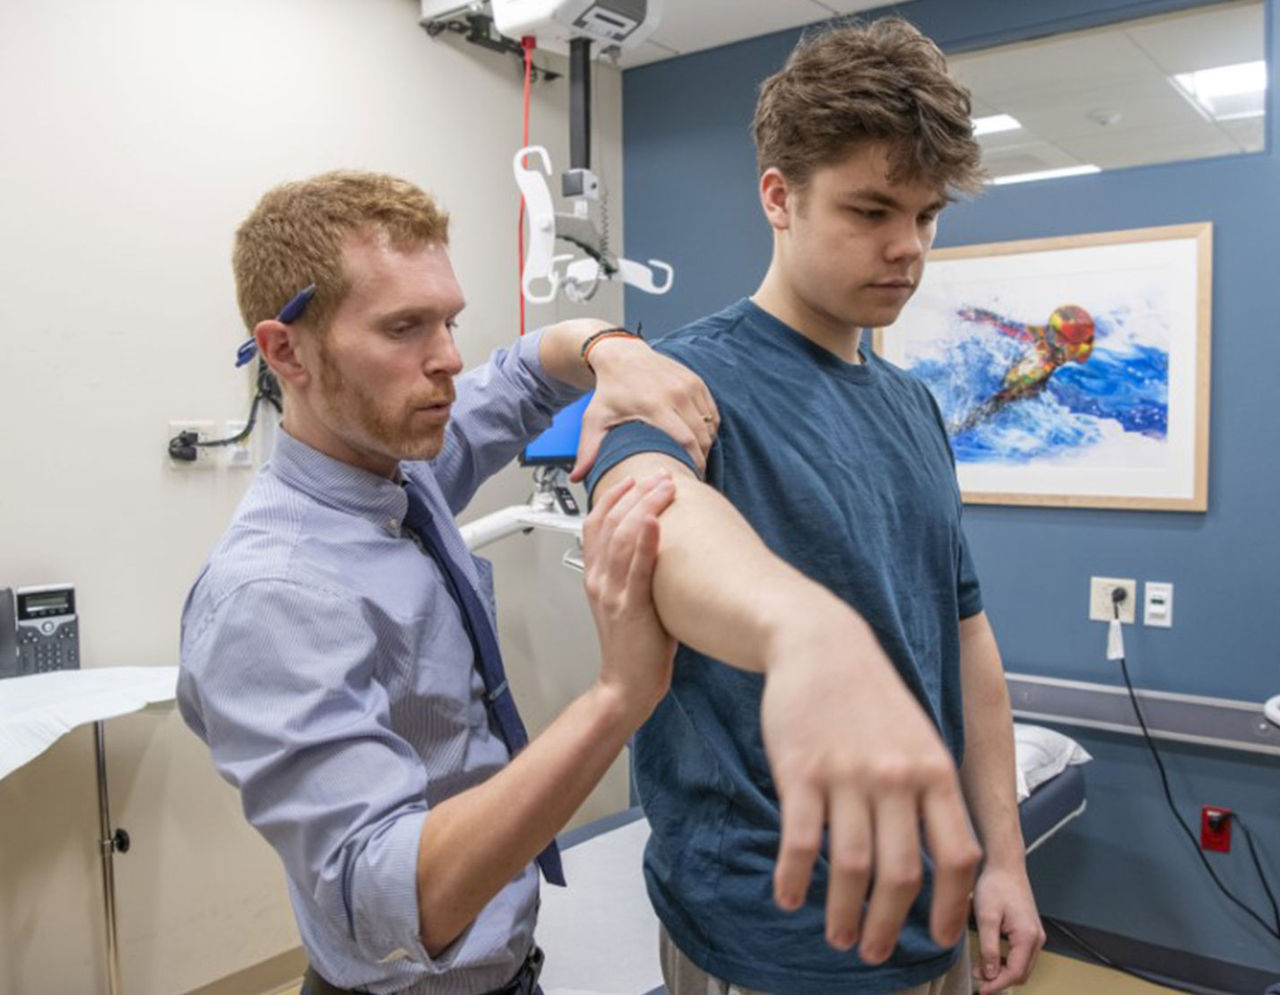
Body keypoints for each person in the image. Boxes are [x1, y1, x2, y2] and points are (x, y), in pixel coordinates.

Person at [585, 19, 1045, 995]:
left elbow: (965, 643)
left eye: (925, 216)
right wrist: (802, 631)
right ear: (777, 198)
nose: (906, 248)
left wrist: (1003, 856)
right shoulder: (680, 383)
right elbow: (652, 517)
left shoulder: (911, 404)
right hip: (771, 925)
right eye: (870, 209)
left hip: (934, 903)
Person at [177, 170, 719, 995]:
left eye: (448, 320)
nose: (449, 359)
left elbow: (529, 371)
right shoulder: (272, 595)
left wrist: (615, 351)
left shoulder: (395, 466)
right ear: (286, 349)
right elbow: (395, 897)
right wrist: (620, 695)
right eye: (404, 328)